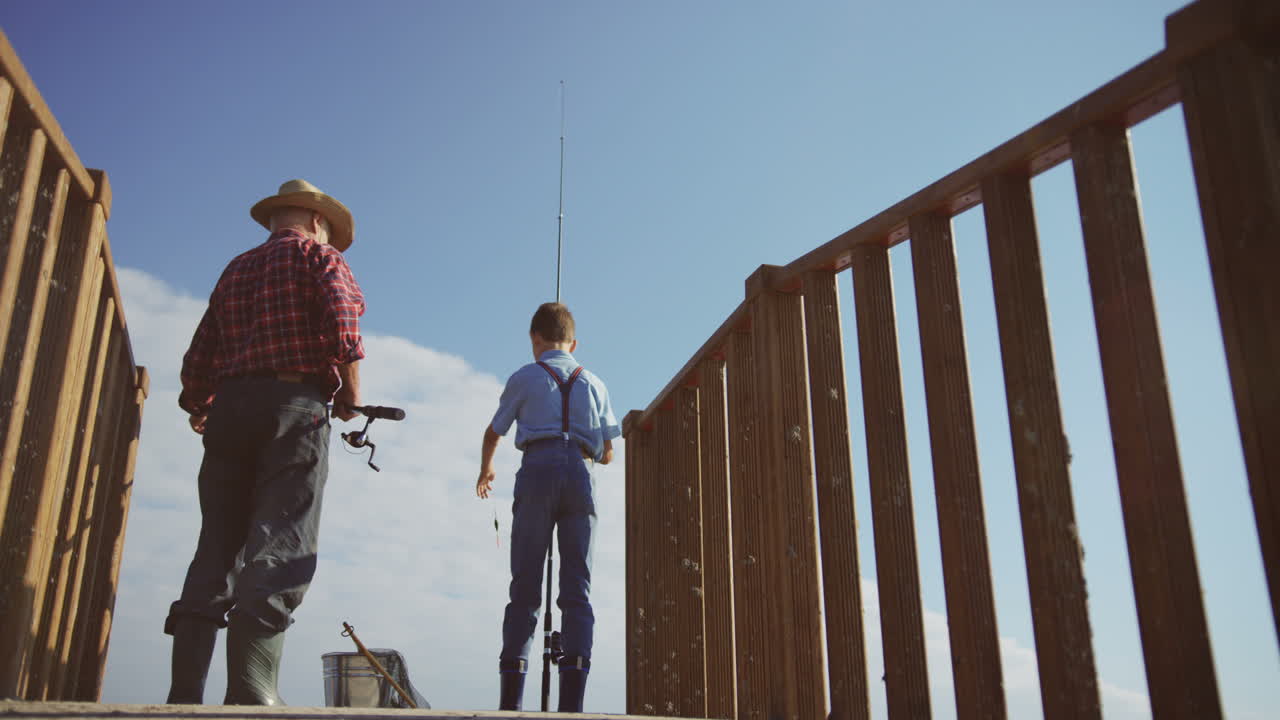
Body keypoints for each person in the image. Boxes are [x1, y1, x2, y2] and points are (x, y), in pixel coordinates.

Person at [165, 179, 366, 705]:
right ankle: (252, 694)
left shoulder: (237, 268)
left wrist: (200, 403)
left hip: (230, 410)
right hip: (294, 409)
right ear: (319, 221)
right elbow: (344, 325)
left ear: (277, 218)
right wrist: (349, 393)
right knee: (279, 544)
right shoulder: (320, 258)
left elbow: (199, 353)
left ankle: (184, 693)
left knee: (217, 546)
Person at [476, 302, 620, 712]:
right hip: (581, 473)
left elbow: (495, 431)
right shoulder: (594, 382)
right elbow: (609, 452)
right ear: (574, 343)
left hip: (537, 469)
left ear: (533, 340)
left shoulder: (525, 377)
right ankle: (572, 702)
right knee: (578, 588)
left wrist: (486, 470)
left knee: (525, 584)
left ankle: (511, 701)